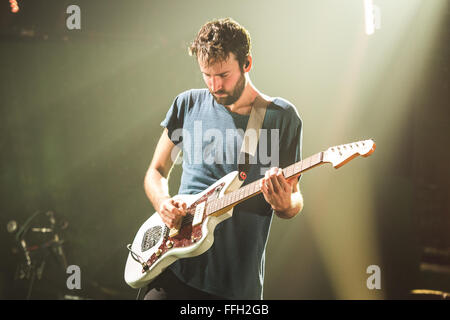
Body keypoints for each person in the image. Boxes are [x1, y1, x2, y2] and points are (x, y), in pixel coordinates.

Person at [143, 17, 303, 300]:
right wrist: (163, 203)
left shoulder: (282, 117)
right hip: (174, 267)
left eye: (224, 75)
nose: (215, 85)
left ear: (247, 63)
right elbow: (156, 171)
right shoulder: (187, 104)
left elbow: (294, 199)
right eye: (207, 75)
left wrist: (285, 203)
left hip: (235, 285)